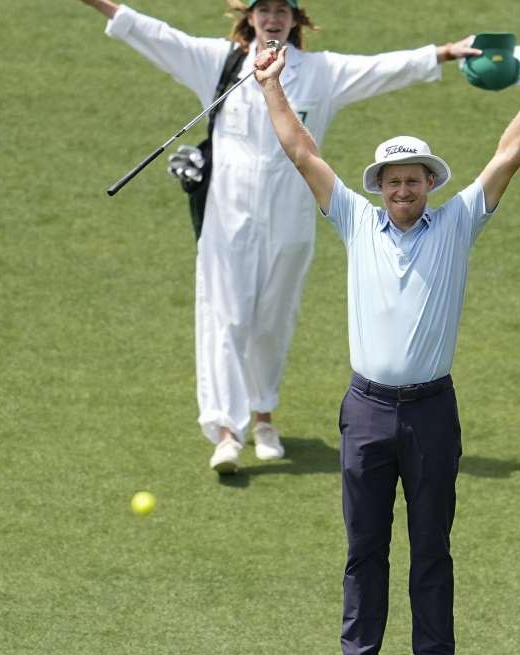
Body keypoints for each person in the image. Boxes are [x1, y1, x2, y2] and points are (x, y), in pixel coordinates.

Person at [251, 23, 520, 655]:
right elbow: (302, 152)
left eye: (413, 179)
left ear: (429, 182)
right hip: (366, 408)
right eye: (393, 181)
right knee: (364, 544)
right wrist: (272, 84)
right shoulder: (354, 219)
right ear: (380, 185)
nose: (403, 190)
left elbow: (507, 157)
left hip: (431, 409)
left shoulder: (457, 221)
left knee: (431, 544)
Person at [75, 0, 482, 472]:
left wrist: (444, 52)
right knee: (225, 319)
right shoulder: (220, 63)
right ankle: (226, 431)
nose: (273, 18)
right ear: (249, 17)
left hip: (291, 224)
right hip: (227, 220)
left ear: (295, 20)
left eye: (282, 11)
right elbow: (159, 36)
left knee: (273, 321)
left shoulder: (322, 72)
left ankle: (263, 417)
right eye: (264, 9)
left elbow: (383, 68)